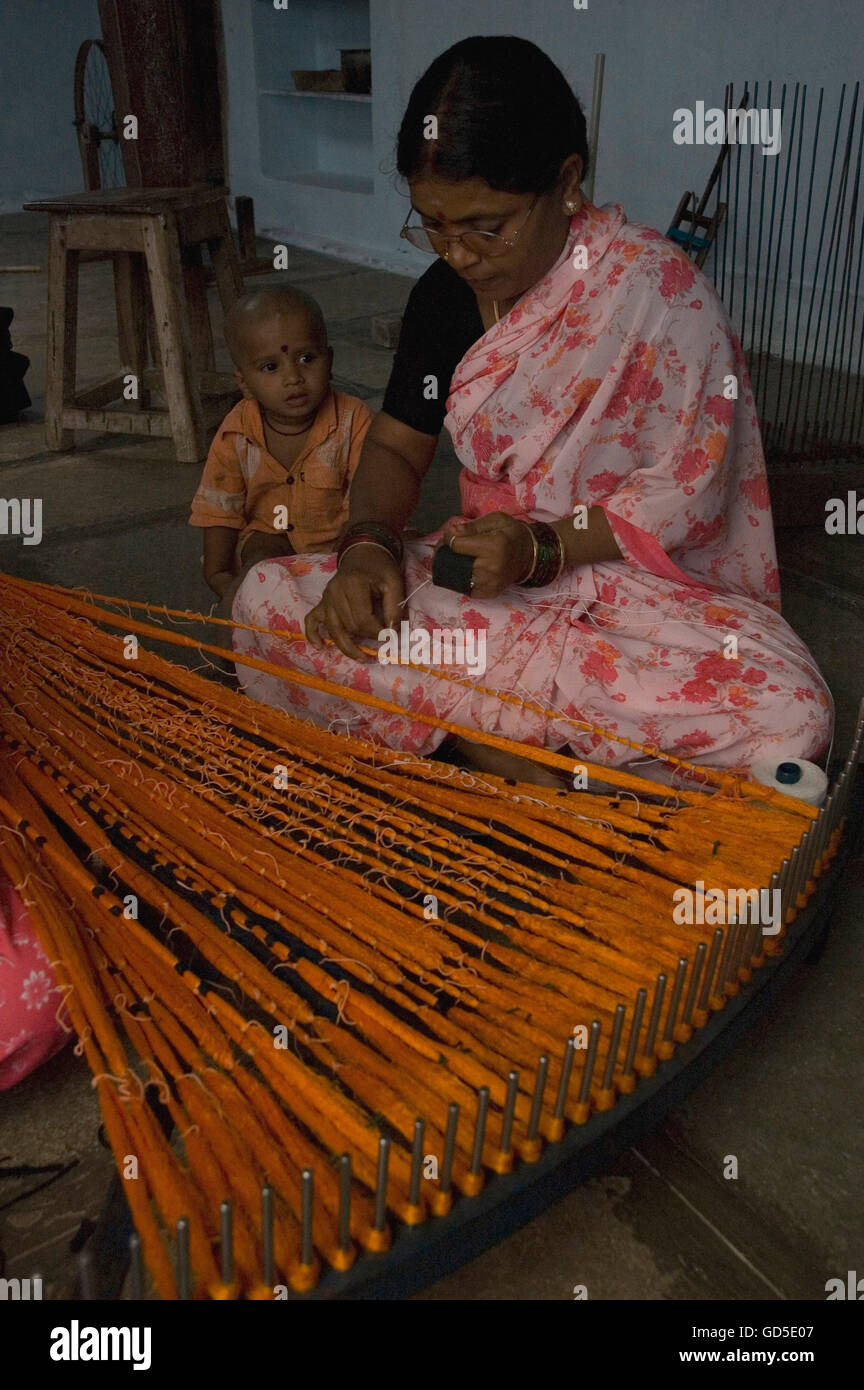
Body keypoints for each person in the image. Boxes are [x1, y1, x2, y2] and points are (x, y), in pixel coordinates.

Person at [230, 35, 831, 787]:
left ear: (567, 182)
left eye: (487, 225)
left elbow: (688, 495)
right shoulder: (444, 299)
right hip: (486, 589)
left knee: (790, 712)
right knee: (267, 603)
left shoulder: (658, 295)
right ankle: (530, 755)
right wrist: (368, 550)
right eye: (434, 224)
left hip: (639, 602)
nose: (459, 253)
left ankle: (473, 741)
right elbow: (393, 450)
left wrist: (542, 550)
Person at [189, 286, 372, 621]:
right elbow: (220, 506)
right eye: (271, 366)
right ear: (243, 382)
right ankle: (233, 655)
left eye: (306, 359)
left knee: (388, 562)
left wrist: (353, 561)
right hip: (268, 540)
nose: (293, 378)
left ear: (328, 361)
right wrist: (220, 577)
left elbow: (368, 502)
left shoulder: (353, 420)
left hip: (339, 545)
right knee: (262, 557)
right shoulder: (236, 431)